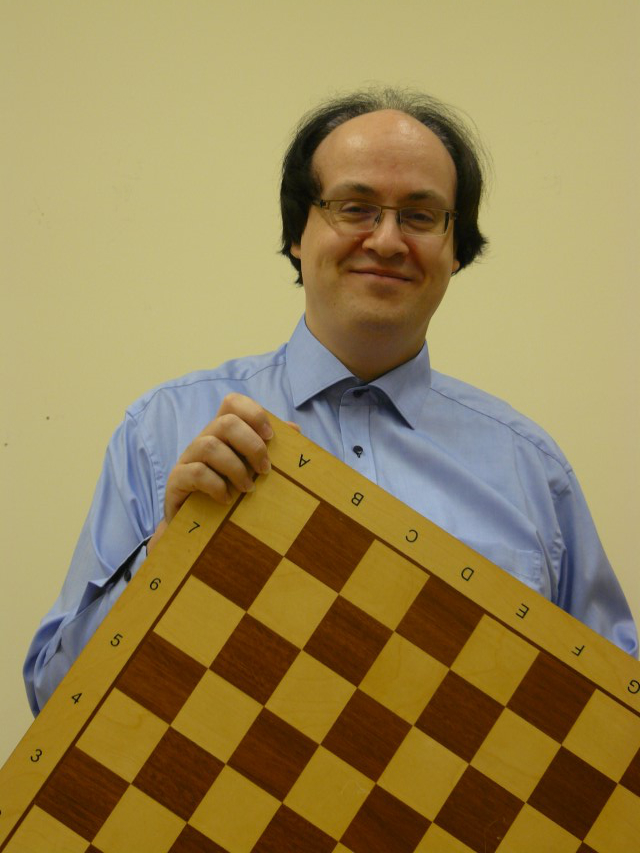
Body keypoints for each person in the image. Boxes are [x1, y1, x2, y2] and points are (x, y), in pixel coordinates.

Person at [24, 88, 638, 715]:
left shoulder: (532, 470)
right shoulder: (162, 433)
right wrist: (166, 556)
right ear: (298, 232)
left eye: (421, 216)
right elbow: (54, 698)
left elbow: (618, 725)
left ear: (456, 250)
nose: (388, 240)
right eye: (355, 208)